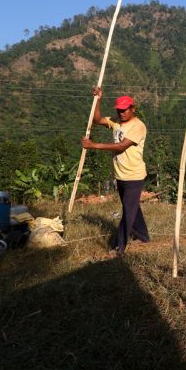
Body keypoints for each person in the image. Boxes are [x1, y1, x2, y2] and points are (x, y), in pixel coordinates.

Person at [82, 87, 149, 254]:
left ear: (133, 109)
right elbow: (97, 119)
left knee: (128, 210)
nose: (121, 113)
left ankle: (118, 246)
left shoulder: (138, 126)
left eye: (125, 110)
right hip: (120, 175)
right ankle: (142, 235)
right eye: (119, 110)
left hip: (134, 175)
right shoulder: (116, 122)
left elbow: (121, 146)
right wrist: (98, 99)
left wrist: (93, 145)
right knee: (131, 207)